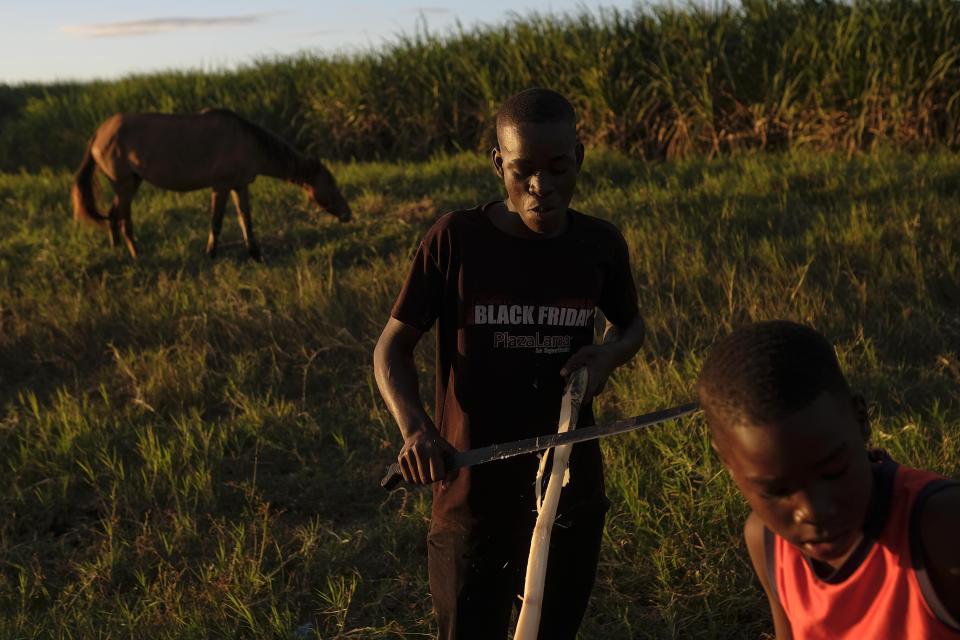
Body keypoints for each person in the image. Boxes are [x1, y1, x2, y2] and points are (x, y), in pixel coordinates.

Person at [373, 88, 645, 639]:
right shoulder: (456, 241)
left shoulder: (598, 244)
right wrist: (415, 430)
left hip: (568, 489)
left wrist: (608, 356)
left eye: (558, 168)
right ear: (498, 163)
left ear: (580, 158)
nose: (541, 187)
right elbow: (391, 349)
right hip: (471, 494)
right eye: (522, 171)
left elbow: (631, 326)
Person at [696, 320, 960, 639]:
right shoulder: (767, 542)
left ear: (861, 419)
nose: (812, 509)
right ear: (728, 463)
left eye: (833, 472)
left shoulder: (939, 527)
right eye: (777, 491)